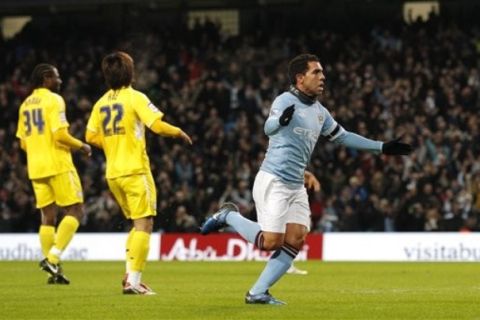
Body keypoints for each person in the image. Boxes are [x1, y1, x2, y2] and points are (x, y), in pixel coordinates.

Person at [200, 53, 413, 305]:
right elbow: (268, 126)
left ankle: (257, 292)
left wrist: (382, 147)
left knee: (297, 237)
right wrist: (280, 120)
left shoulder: (320, 112)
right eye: (316, 72)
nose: (323, 77)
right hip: (274, 180)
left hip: (295, 185)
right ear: (300, 78)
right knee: (271, 242)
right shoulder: (285, 100)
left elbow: (344, 137)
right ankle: (228, 216)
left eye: (322, 72)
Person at [85, 51, 192, 295]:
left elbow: (90, 136)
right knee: (145, 224)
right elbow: (156, 125)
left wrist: (112, 143)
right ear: (130, 72)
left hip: (113, 174)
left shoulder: (100, 103)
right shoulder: (135, 97)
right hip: (135, 171)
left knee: (136, 225)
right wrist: (178, 131)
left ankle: (129, 276)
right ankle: (134, 281)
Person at [16, 63, 92, 284]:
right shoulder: (54, 99)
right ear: (46, 77)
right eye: (57, 77)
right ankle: (52, 257)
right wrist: (81, 146)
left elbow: (22, 143)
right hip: (58, 164)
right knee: (76, 210)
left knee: (48, 217)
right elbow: (60, 135)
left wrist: (39, 148)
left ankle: (54, 272)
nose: (59, 81)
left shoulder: (24, 105)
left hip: (36, 167)